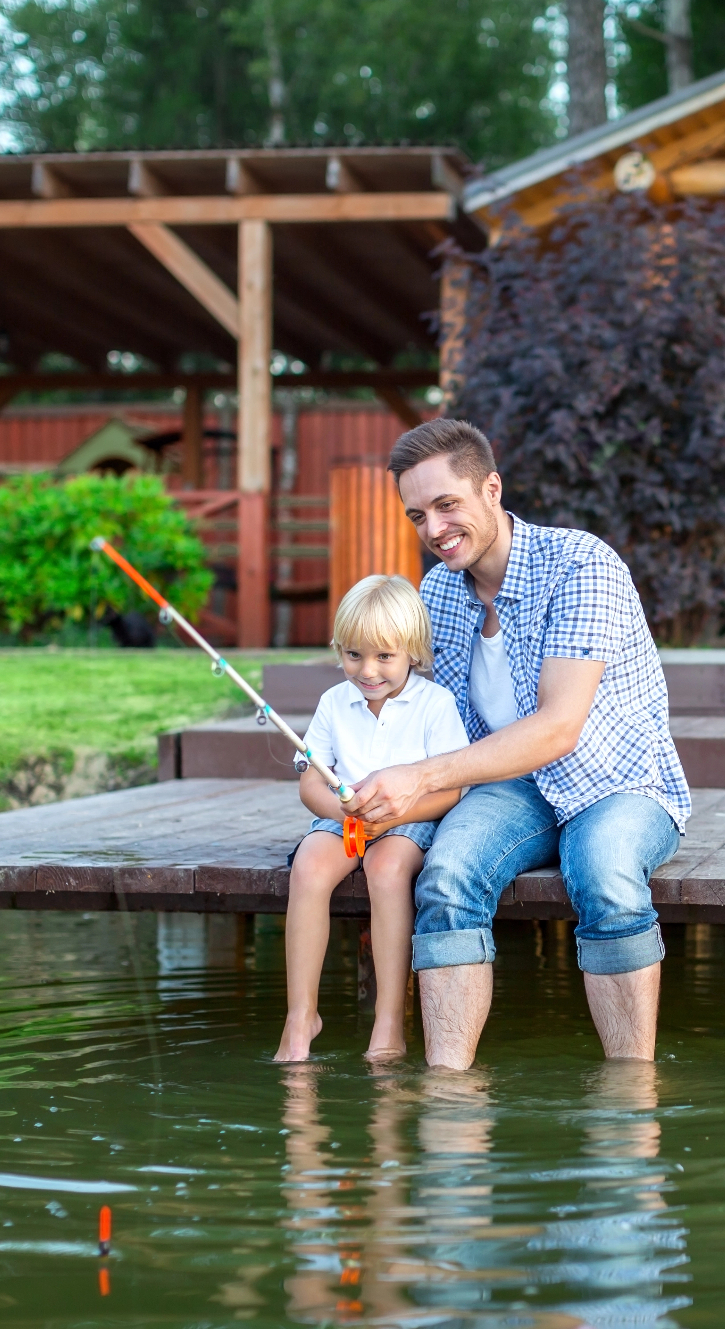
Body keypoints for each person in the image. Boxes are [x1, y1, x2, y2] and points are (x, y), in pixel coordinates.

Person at [345, 419, 690, 1071]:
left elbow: (560, 727)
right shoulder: (438, 592)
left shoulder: (581, 566)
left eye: (447, 504)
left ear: (491, 488)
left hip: (615, 781)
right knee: (446, 877)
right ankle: (449, 1103)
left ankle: (629, 1092)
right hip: (509, 787)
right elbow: (417, 712)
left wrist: (418, 777)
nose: (434, 527)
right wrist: (345, 767)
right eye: (417, 514)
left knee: (605, 873)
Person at [276, 574, 468, 1063]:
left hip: (410, 820)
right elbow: (310, 782)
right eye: (354, 654)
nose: (368, 670)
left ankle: (388, 1020)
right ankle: (301, 1017)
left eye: (384, 656)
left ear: (412, 652)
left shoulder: (434, 704)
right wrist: (340, 811)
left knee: (386, 871)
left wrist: (398, 812)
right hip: (345, 820)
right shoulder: (332, 703)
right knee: (309, 868)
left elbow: (452, 789)